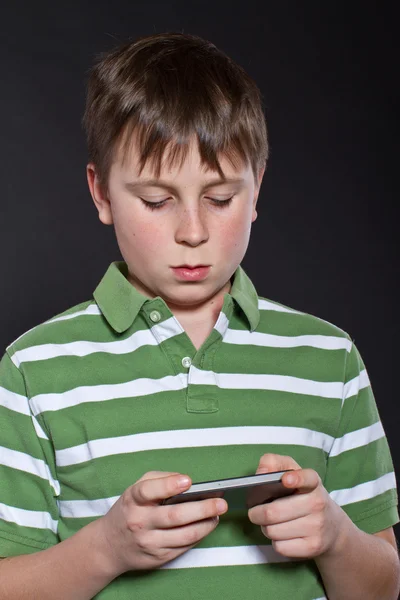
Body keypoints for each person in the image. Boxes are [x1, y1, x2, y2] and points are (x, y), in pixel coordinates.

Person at [0, 31, 399, 600]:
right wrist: (106, 548)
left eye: (219, 199)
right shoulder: (32, 368)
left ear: (257, 189)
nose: (192, 232)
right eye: (157, 200)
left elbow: (383, 587)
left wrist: (335, 536)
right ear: (102, 194)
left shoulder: (329, 359)